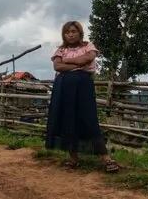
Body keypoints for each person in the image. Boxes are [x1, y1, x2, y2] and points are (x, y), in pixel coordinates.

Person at [45, 21, 119, 173]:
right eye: (67, 32)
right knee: (68, 119)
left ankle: (106, 158)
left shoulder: (88, 46)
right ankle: (73, 158)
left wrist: (67, 61)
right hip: (63, 88)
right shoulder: (60, 49)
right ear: (64, 34)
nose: (70, 34)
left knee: (89, 119)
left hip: (83, 87)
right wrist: (77, 64)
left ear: (80, 32)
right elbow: (57, 67)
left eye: (73, 31)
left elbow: (87, 59)